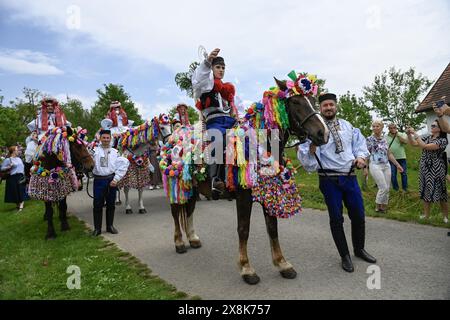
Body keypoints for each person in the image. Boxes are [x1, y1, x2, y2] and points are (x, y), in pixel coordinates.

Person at [297, 92, 376, 273]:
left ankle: (359, 249)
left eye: (331, 105)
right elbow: (308, 163)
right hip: (329, 180)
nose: (329, 108)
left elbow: (359, 146)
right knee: (336, 219)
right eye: (325, 106)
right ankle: (345, 256)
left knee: (358, 215)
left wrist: (361, 158)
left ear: (335, 106)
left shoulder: (348, 126)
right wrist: (312, 147)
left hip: (349, 177)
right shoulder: (314, 128)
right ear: (320, 108)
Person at [192, 48, 238, 199]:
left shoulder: (228, 90)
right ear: (211, 68)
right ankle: (215, 181)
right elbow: (198, 79)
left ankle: (238, 181)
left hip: (230, 121)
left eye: (223, 67)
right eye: (218, 67)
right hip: (214, 123)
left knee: (247, 139)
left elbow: (238, 108)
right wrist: (207, 62)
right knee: (219, 139)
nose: (221, 70)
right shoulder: (206, 85)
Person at [406, 120, 448, 224]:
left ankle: (445, 217)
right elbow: (414, 144)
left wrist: (415, 133)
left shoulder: (442, 140)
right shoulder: (427, 137)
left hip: (437, 167)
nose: (431, 126)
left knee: (441, 192)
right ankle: (426, 215)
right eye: (431, 125)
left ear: (440, 128)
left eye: (434, 125)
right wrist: (409, 135)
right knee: (425, 191)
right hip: (425, 166)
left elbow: (425, 147)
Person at [92, 128, 130, 236]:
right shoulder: (94, 151)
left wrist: (116, 179)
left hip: (111, 181)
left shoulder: (115, 152)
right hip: (98, 180)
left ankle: (110, 226)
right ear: (100, 138)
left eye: (107, 138)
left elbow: (123, 165)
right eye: (103, 138)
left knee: (111, 204)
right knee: (97, 205)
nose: (105, 140)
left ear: (110, 139)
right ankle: (97, 229)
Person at [365, 120, 404, 212]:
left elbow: (389, 154)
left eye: (377, 126)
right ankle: (377, 207)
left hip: (386, 165)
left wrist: (397, 165)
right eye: (373, 126)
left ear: (381, 128)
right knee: (383, 187)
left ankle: (383, 207)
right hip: (375, 165)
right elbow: (366, 154)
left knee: (387, 187)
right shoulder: (369, 139)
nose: (375, 128)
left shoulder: (384, 139)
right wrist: (365, 168)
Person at [1, 146, 25, 211]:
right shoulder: (8, 160)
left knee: (21, 190)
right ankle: (18, 204)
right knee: (15, 192)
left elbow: (22, 167)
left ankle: (21, 204)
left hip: (20, 176)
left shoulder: (19, 159)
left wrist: (23, 174)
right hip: (12, 177)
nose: (18, 151)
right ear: (13, 151)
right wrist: (8, 167)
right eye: (17, 150)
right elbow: (1, 168)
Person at [386, 123, 409, 191]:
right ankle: (396, 189)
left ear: (396, 128)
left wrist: (397, 135)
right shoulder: (386, 137)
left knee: (403, 173)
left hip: (401, 157)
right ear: (389, 129)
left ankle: (405, 189)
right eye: (391, 128)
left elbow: (405, 142)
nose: (392, 129)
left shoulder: (401, 134)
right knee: (393, 175)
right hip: (391, 159)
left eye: (394, 128)